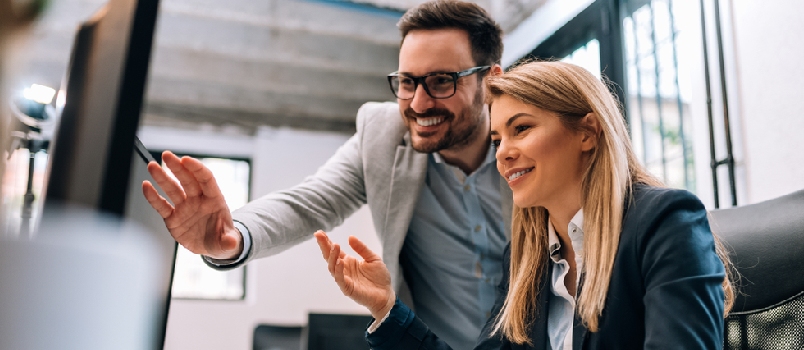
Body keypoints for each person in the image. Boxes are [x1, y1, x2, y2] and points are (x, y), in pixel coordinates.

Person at [141, 1, 509, 348]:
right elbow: (307, 204)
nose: (418, 103)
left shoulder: (534, 146)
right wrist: (233, 235)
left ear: (491, 82)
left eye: (442, 81)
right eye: (408, 82)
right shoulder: (382, 134)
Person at [313, 60, 735, 349]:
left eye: (522, 129)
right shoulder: (528, 258)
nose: (503, 153)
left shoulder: (665, 223)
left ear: (587, 133)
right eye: (498, 139)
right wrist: (386, 308)